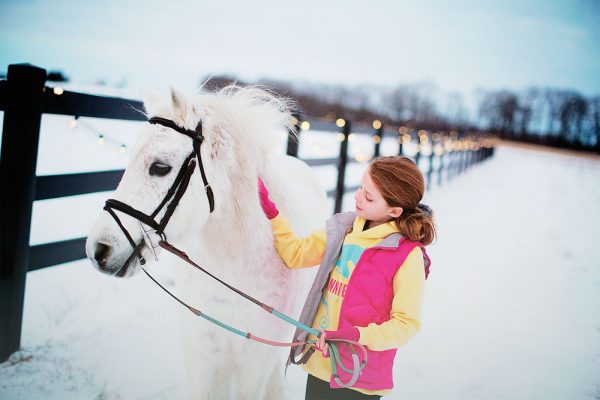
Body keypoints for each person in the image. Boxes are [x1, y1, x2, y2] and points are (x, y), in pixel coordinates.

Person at [259, 155, 436, 400]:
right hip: (321, 363)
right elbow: (296, 255)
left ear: (394, 211)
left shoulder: (407, 256)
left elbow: (406, 324)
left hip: (359, 378)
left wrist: (356, 336)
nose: (358, 196)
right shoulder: (343, 230)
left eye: (369, 196)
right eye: (361, 188)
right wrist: (273, 214)